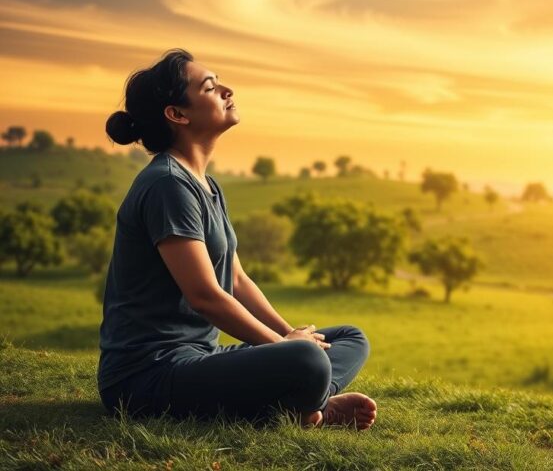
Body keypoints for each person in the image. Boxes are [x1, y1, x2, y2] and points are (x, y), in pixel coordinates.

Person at [99, 48, 376, 429]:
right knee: (306, 361)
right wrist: (286, 349)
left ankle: (304, 401)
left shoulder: (205, 186)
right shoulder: (167, 184)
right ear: (177, 115)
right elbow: (206, 296)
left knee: (347, 337)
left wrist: (290, 335)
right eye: (211, 87)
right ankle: (312, 408)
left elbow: (237, 279)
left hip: (199, 357)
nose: (227, 90)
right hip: (146, 377)